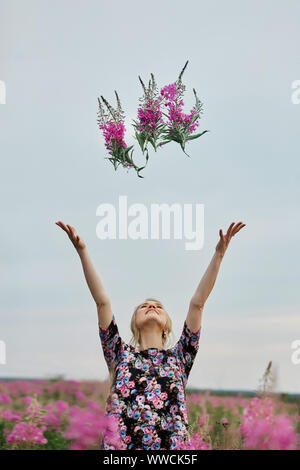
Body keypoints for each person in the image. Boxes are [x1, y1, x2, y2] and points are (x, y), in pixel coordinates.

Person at [55, 220, 246, 449]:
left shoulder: (181, 356)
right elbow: (102, 301)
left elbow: (198, 304)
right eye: (144, 306)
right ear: (134, 323)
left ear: (166, 325)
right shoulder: (119, 353)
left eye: (158, 306)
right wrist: (82, 251)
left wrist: (219, 255)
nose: (151, 306)